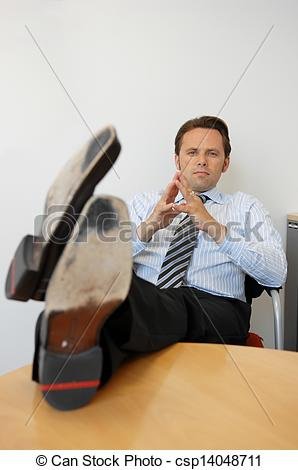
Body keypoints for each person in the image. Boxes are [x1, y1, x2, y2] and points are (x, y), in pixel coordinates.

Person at [32, 116, 287, 410]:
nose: (201, 160)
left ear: (225, 163)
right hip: (146, 302)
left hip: (217, 310)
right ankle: (67, 384)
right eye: (192, 152)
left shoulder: (246, 206)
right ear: (177, 160)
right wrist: (148, 227)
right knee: (110, 312)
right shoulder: (144, 203)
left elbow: (276, 274)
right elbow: (111, 264)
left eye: (212, 153)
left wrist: (213, 227)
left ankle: (62, 280)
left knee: (118, 301)